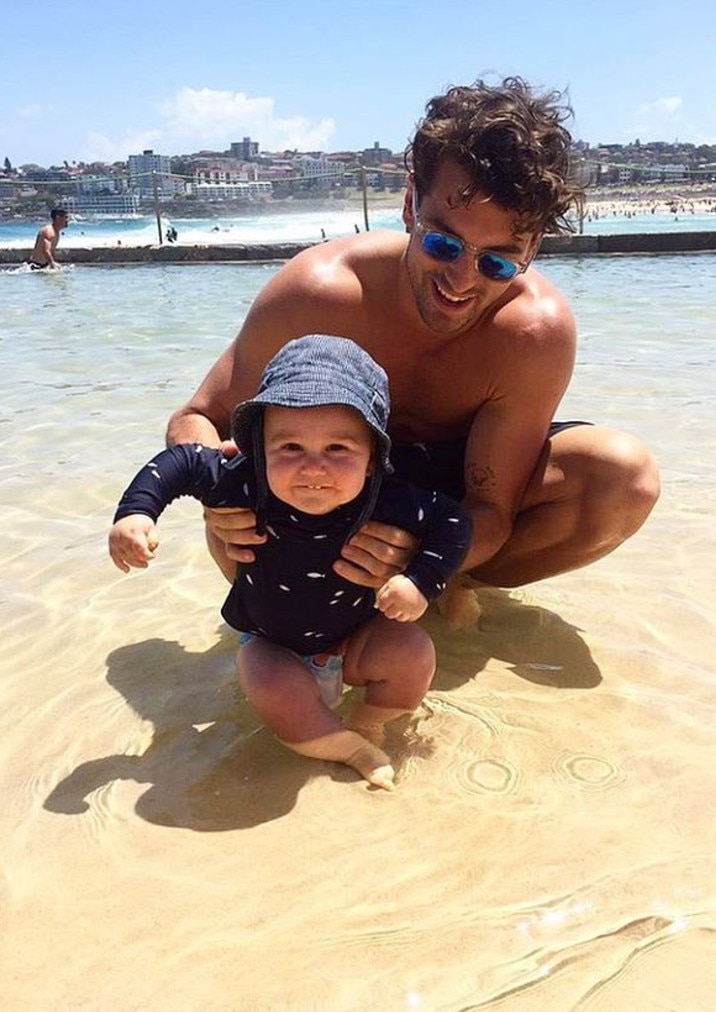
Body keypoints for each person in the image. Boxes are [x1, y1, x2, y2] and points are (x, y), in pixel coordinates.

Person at [167, 76, 660, 598]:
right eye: (444, 244)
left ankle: (447, 591)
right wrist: (220, 496)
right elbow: (197, 418)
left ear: (532, 248)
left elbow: (491, 510)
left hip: (443, 508)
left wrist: (426, 561)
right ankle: (293, 630)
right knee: (239, 490)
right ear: (409, 204)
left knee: (622, 480)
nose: (462, 281)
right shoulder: (319, 294)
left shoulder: (534, 332)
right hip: (324, 484)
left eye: (497, 261)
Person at [109, 335, 472, 790]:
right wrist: (136, 513)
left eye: (338, 449)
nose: (313, 467)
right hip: (273, 645)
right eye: (291, 448)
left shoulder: (389, 497)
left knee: (414, 653)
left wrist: (423, 581)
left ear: (374, 458)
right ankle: (346, 747)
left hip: (355, 639)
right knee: (267, 681)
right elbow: (178, 462)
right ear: (260, 447)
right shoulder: (243, 480)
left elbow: (453, 521)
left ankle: (369, 721)